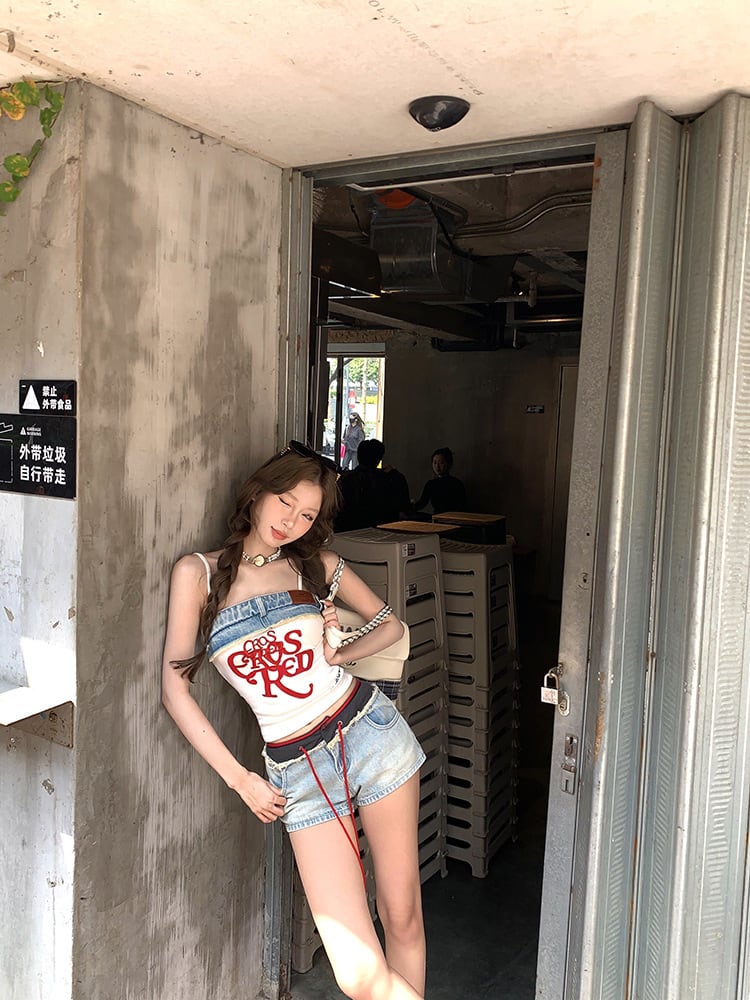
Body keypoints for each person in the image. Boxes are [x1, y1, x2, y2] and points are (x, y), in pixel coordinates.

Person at [161, 441, 427, 1000]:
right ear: (257, 492)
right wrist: (240, 779)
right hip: (298, 772)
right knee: (357, 974)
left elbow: (390, 625)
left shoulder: (316, 564)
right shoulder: (197, 574)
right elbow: (174, 689)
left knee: (400, 916)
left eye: (307, 515)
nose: (291, 521)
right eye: (285, 502)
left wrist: (339, 653)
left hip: (371, 734)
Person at [336, 438, 411, 531]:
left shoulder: (346, 478)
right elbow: (403, 508)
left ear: (358, 456)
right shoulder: (391, 478)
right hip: (383, 528)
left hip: (348, 529)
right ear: (379, 458)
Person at [412, 447, 467, 516]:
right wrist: (410, 506)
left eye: (441, 463)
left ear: (449, 464)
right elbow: (422, 503)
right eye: (435, 463)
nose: (437, 466)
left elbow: (462, 507)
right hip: (436, 518)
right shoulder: (431, 484)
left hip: (453, 518)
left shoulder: (457, 484)